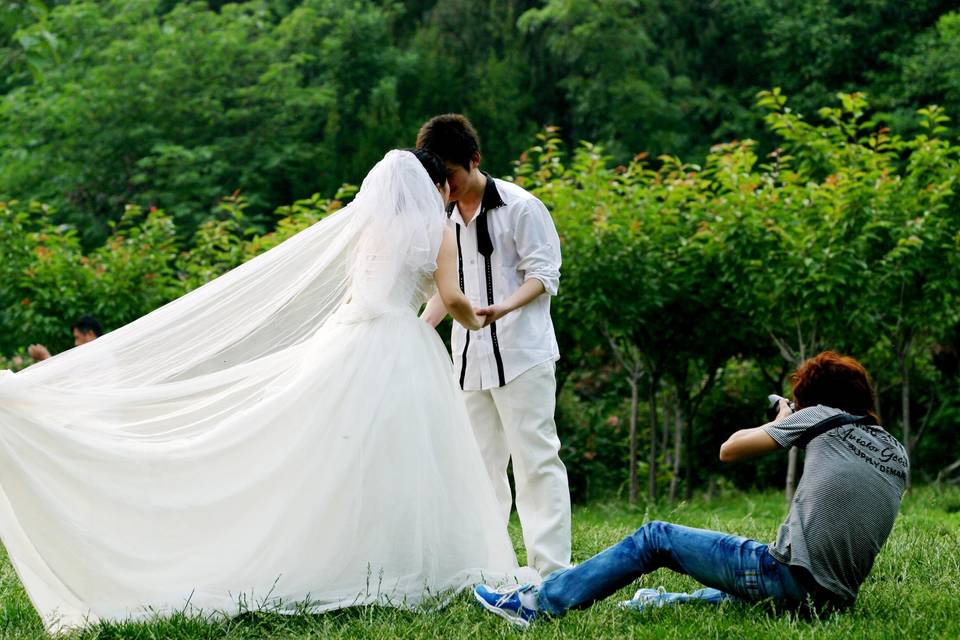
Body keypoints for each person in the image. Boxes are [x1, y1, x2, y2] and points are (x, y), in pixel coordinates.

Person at [0, 149, 534, 633]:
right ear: (437, 187)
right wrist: (477, 319)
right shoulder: (438, 232)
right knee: (404, 459)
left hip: (350, 341)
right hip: (399, 346)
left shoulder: (372, 230)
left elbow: (366, 295)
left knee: (334, 457)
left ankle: (356, 556)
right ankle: (402, 563)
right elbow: (449, 296)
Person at [474, 351, 908, 628]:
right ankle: (659, 601)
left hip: (787, 577)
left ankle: (539, 603)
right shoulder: (896, 452)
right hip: (833, 600)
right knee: (743, 590)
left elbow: (730, 450)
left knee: (655, 537)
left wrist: (781, 421)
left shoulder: (820, 417)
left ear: (816, 402)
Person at [416, 114, 572, 577]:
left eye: (452, 175)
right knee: (479, 468)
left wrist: (503, 308)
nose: (447, 187)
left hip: (523, 356)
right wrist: (419, 329)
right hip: (468, 362)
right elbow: (445, 290)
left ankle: (552, 570)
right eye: (438, 178)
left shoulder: (523, 207)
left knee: (536, 461)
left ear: (475, 160)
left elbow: (545, 275)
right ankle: (489, 566)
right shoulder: (440, 215)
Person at [27, 315, 103, 362]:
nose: (75, 343)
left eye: (77, 337)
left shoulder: (99, 356)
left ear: (90, 334)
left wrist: (45, 357)